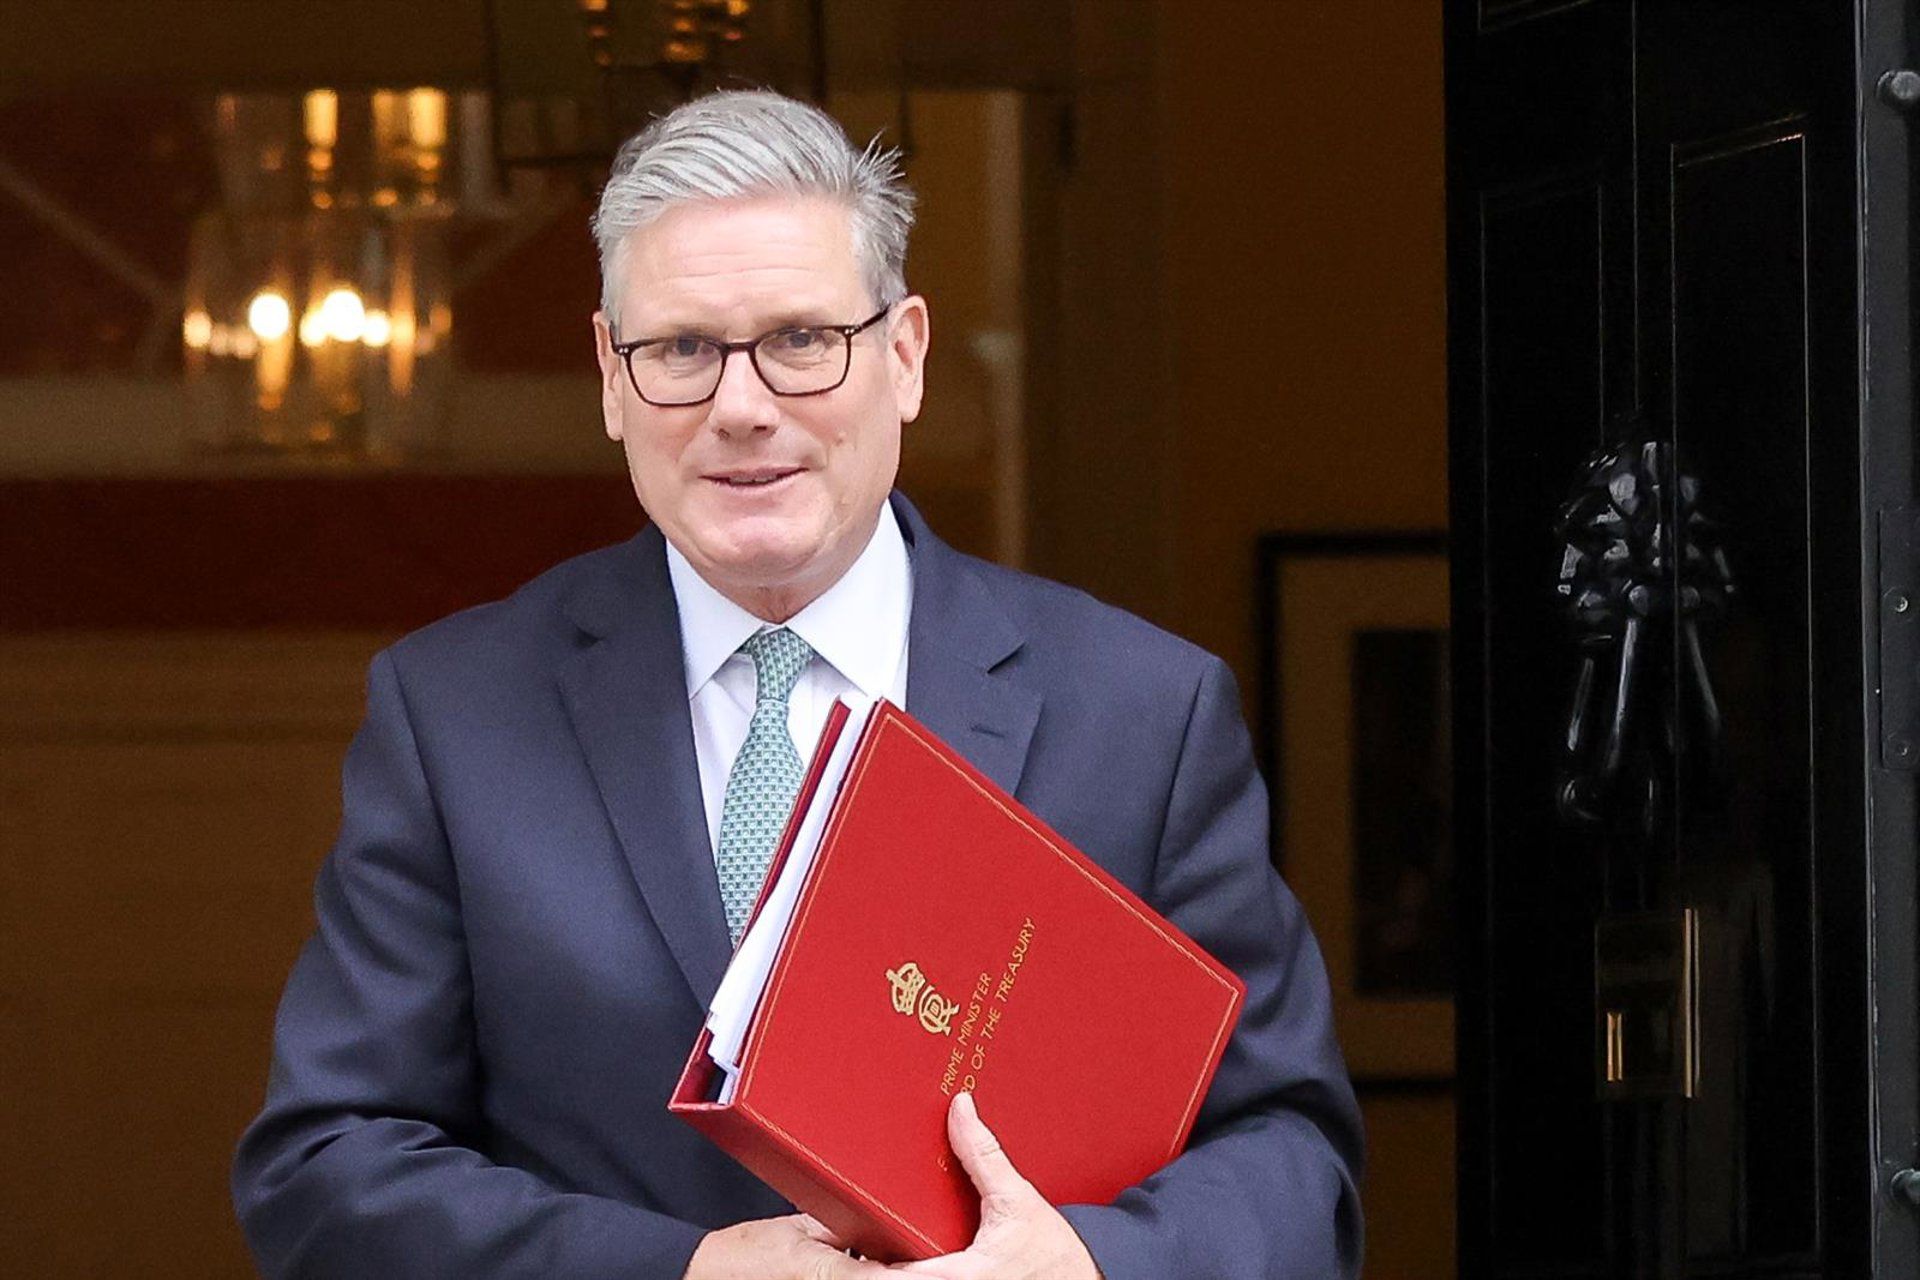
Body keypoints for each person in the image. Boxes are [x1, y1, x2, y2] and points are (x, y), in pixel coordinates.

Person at [232, 89, 1363, 1280]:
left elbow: (1293, 1155)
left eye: (802, 340)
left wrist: (1082, 1264)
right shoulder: (455, 716)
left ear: (905, 354)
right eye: (680, 350)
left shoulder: (1140, 712)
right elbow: (325, 1167)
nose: (742, 407)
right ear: (611, 377)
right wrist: (685, 1270)